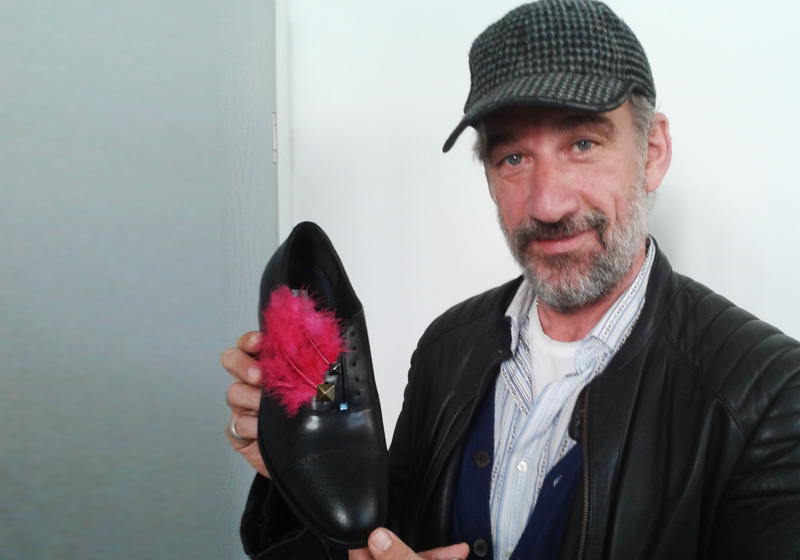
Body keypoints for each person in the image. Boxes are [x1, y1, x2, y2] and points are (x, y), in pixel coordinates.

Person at [222, 1, 800, 559]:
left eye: (582, 144)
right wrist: (304, 478)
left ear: (652, 152)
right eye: (513, 158)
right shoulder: (446, 347)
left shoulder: (769, 397)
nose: (546, 204)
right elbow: (383, 534)